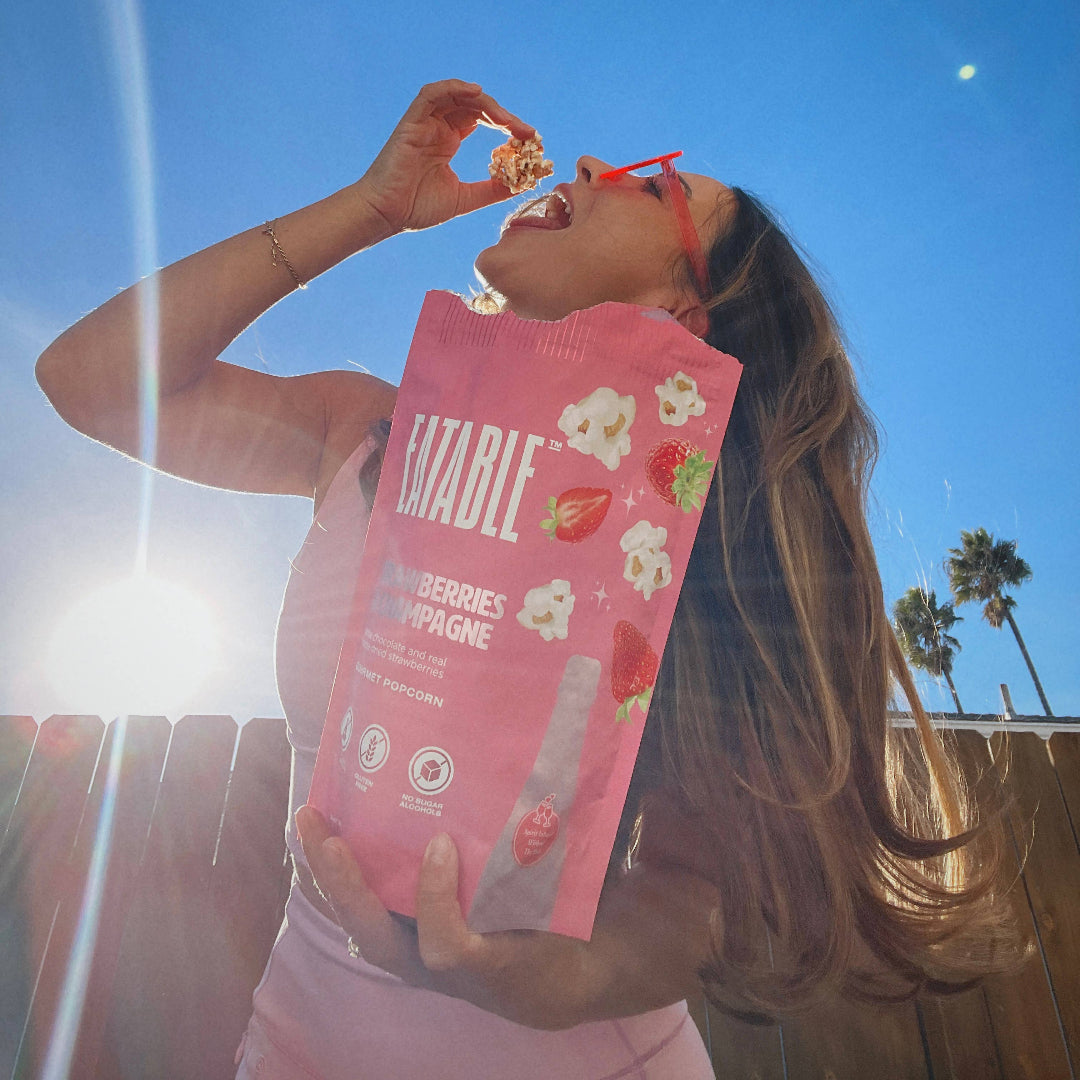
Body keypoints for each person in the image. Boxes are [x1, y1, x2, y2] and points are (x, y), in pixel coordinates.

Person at [36, 80, 1025, 1079]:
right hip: (295, 1045)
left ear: (687, 308)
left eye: (652, 189)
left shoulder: (698, 543)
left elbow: (691, 896)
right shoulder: (368, 432)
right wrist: (370, 208)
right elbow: (90, 379)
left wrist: (524, 983)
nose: (597, 166)